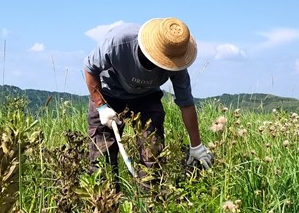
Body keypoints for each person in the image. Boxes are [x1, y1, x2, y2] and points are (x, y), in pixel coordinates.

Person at [84, 17, 213, 185]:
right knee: (102, 160)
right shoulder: (119, 42)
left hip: (147, 99)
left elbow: (186, 102)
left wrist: (196, 146)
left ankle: (151, 206)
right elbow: (89, 69)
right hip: (109, 95)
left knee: (153, 159)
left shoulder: (177, 60)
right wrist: (101, 107)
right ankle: (106, 207)